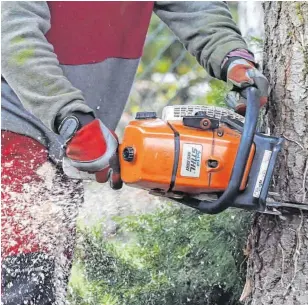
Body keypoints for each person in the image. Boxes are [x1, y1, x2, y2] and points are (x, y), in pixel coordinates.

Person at [0, 2, 269, 304]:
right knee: (25, 276)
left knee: (50, 272)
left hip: (71, 127)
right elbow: (13, 37)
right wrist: (72, 120)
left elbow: (193, 5)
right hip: (14, 122)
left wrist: (231, 56)